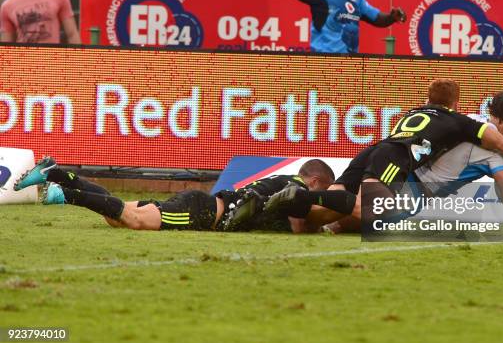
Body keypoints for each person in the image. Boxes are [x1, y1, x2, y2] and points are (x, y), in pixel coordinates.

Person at [267, 88, 503, 233]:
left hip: (395, 163)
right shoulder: (496, 147)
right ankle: (291, 200)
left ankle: (279, 210)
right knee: (352, 214)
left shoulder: (469, 119)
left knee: (327, 220)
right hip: (411, 188)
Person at [12, 157, 335, 233]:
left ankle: (55, 172)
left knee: (118, 216)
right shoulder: (298, 189)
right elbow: (299, 221)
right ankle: (64, 194)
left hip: (204, 203)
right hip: (204, 213)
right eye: (324, 189)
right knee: (134, 220)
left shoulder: (279, 178)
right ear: (316, 180)